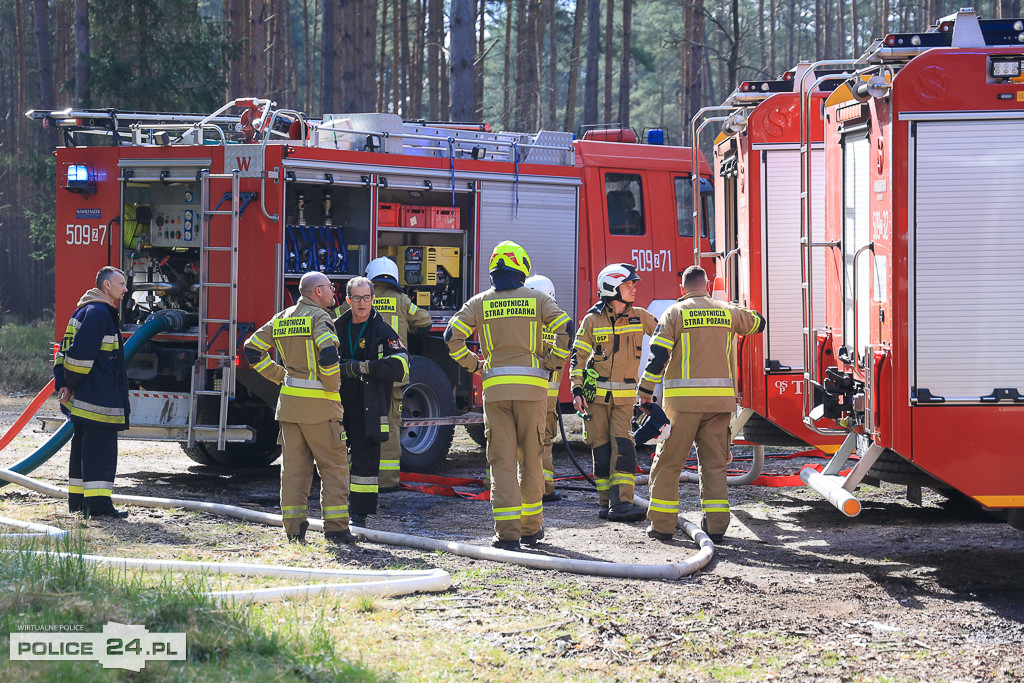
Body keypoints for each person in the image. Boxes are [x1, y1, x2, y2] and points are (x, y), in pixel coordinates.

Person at [445, 241, 572, 550]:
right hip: (532, 392)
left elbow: (451, 336)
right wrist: (553, 362)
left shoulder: (479, 302)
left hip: (496, 391)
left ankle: (507, 535)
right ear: (522, 270)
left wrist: (475, 365)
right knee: (532, 459)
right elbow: (565, 328)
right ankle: (531, 530)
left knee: (502, 462)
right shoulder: (538, 299)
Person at [637, 265, 765, 543]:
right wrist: (732, 306)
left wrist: (646, 391)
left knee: (668, 463)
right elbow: (759, 322)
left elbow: (658, 355)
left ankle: (662, 526)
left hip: (682, 406)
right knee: (714, 466)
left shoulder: (674, 313)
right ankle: (716, 527)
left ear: (682, 288)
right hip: (720, 404)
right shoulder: (727, 311)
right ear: (708, 284)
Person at [244, 271, 358, 544]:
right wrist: (332, 385)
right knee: (334, 468)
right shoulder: (320, 317)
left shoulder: (282, 317)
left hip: (289, 408)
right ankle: (337, 530)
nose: (334, 292)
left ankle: (294, 531)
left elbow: (251, 349)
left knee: (294, 471)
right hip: (321, 409)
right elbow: (328, 354)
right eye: (330, 287)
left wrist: (279, 375)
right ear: (317, 291)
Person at [569, 263, 657, 523]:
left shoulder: (640, 316)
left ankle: (622, 504)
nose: (634, 289)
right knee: (602, 450)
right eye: (628, 285)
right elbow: (578, 357)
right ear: (612, 288)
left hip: (624, 400)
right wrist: (576, 389)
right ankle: (606, 503)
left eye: (633, 285)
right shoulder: (592, 320)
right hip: (595, 400)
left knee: (625, 448)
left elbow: (666, 335)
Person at [54, 266, 131, 518]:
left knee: (82, 451)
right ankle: (98, 507)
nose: (125, 288)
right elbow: (79, 357)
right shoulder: (99, 313)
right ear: (106, 286)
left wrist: (64, 383)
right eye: (121, 284)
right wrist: (72, 383)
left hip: (85, 398)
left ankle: (78, 503)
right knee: (100, 454)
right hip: (98, 399)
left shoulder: (85, 310)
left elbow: (62, 352)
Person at [334, 276, 409, 528]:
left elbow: (401, 365)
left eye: (366, 298)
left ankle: (359, 514)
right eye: (356, 298)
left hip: (370, 404)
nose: (362, 303)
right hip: (339, 403)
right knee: (334, 457)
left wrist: (364, 367)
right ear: (348, 300)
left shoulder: (382, 329)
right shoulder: (337, 326)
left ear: (373, 299)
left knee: (366, 461)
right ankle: (334, 509)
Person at [365, 256, 433, 491]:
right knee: (391, 424)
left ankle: (361, 475)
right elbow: (424, 322)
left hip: (364, 372)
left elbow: (338, 319)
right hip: (393, 374)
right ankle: (387, 481)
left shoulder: (361, 298)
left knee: (360, 421)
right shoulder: (402, 300)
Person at [524, 273, 564, 503]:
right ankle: (546, 488)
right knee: (544, 441)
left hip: (524, 393)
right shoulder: (556, 320)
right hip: (548, 398)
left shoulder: (525, 322)